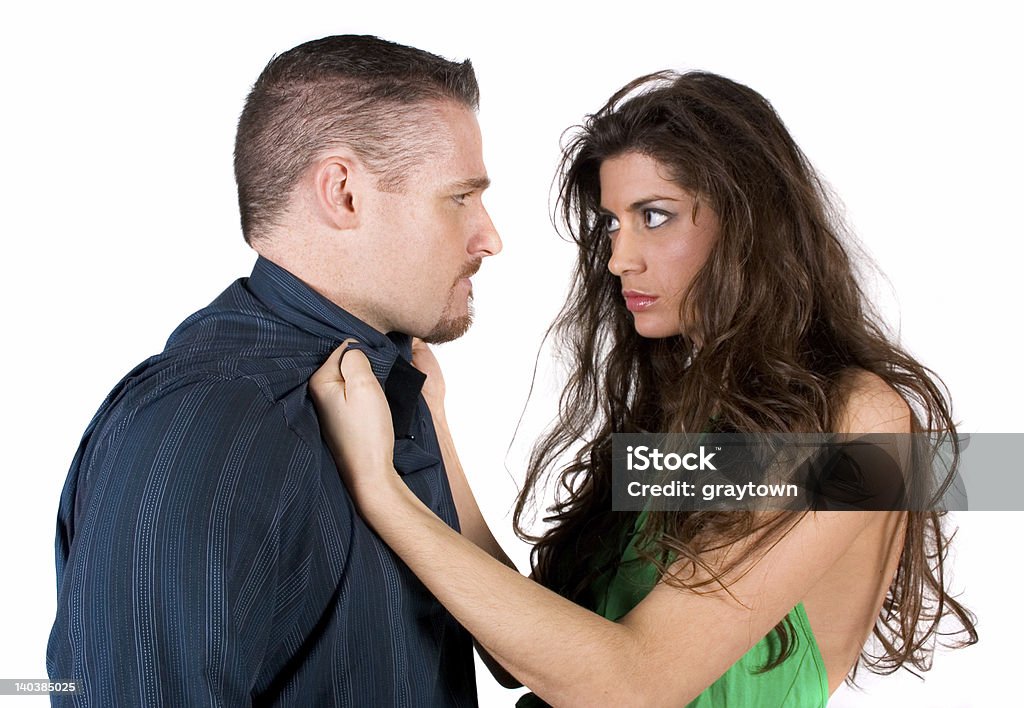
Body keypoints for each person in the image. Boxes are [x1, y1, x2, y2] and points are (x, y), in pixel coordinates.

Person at [310, 71, 977, 706]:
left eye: (654, 216)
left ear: (750, 224)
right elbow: (534, 656)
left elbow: (630, 687)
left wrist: (380, 489)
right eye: (612, 224)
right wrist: (436, 422)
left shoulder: (867, 424)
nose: (620, 258)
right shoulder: (689, 418)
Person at [47, 35, 503, 706]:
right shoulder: (208, 422)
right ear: (344, 194)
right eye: (460, 198)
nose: (490, 235)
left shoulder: (391, 382)